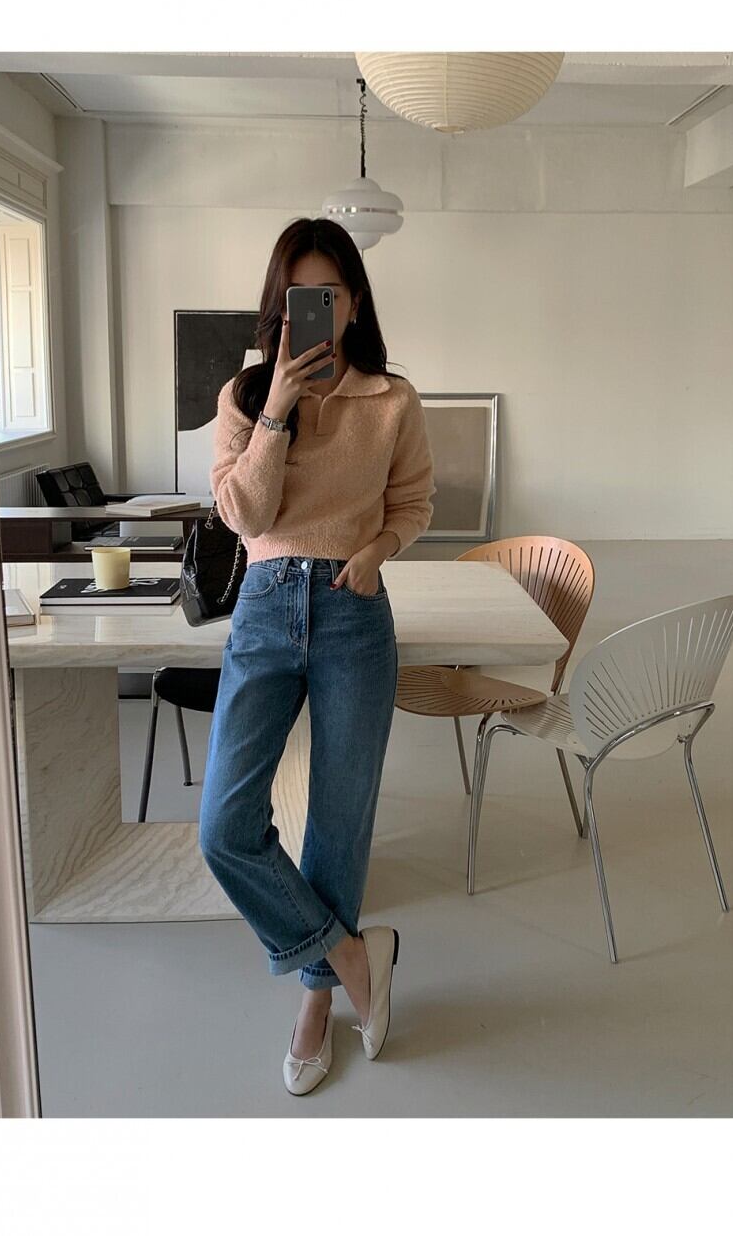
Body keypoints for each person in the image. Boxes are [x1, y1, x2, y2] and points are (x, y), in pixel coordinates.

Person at [198, 216, 435, 1095]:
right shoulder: (243, 396)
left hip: (353, 610)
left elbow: (414, 502)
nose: (318, 310)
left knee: (339, 822)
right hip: (265, 608)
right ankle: (348, 953)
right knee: (225, 826)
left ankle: (315, 1000)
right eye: (302, 295)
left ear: (355, 301)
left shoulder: (392, 400)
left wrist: (377, 552)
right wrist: (278, 409)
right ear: (279, 304)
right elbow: (245, 514)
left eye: (329, 294)